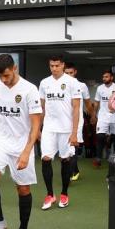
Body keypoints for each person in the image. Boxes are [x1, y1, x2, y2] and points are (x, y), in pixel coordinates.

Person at [0, 54, 42, 229]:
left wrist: (27, 152)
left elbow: (35, 124)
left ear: (14, 68)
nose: (4, 80)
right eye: (0, 76)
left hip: (21, 145)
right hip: (0, 141)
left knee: (23, 188)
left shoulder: (29, 89)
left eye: (7, 75)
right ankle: (0, 221)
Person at [39, 55, 81, 210]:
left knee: (65, 159)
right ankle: (50, 195)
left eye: (57, 65)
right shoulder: (44, 83)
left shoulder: (72, 82)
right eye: (51, 65)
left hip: (66, 129)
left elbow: (76, 108)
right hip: (49, 128)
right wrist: (37, 129)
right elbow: (41, 108)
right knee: (45, 158)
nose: (54, 68)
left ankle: (64, 193)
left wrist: (75, 132)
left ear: (63, 65)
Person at [64, 62, 94, 180]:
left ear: (75, 72)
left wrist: (93, 116)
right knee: (65, 148)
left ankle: (72, 172)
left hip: (77, 120)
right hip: (63, 121)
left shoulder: (81, 86)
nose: (69, 75)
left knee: (73, 145)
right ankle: (73, 170)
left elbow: (87, 103)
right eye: (66, 73)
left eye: (71, 73)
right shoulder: (59, 85)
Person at [93, 70, 115, 167]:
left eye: (106, 77)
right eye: (103, 77)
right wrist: (93, 114)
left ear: (111, 77)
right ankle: (98, 158)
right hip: (103, 116)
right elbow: (96, 102)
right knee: (100, 136)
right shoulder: (100, 88)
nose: (104, 78)